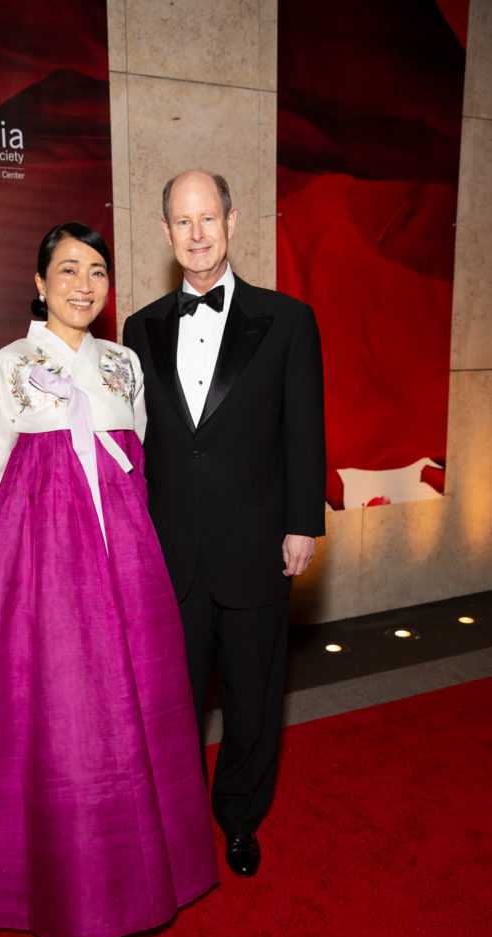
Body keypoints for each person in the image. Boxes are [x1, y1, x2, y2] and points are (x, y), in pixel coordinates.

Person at [0, 222, 218, 937]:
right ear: (40, 284)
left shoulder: (124, 365)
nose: (84, 283)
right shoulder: (7, 365)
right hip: (42, 567)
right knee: (61, 709)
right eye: (68, 270)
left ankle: (151, 863)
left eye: (98, 271)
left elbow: (135, 458)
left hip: (128, 560)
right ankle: (44, 872)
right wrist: (9, 569)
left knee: (139, 700)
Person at [123, 171, 326, 878]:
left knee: (252, 698)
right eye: (182, 221)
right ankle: (175, 822)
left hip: (256, 545)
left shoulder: (288, 319)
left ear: (232, 222)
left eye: (207, 218)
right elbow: (136, 441)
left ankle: (238, 817)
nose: (197, 233)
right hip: (170, 549)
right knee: (171, 700)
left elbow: (304, 432)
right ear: (165, 232)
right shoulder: (138, 326)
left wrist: (302, 524)